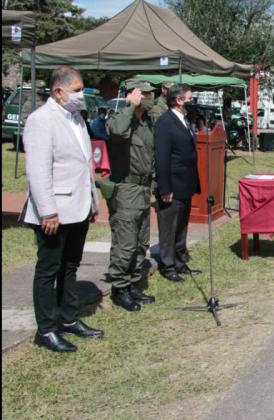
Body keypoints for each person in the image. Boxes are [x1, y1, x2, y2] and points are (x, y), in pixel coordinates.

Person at [21, 66, 103, 353]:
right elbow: (38, 170)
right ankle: (46, 328)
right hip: (54, 211)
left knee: (70, 266)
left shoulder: (76, 118)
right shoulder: (41, 120)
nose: (81, 95)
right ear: (59, 91)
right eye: (77, 89)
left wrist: (91, 201)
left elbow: (85, 165)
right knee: (48, 269)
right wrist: (48, 212)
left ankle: (68, 318)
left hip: (78, 207)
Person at [104, 80, 158, 312]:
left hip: (143, 189)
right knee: (125, 244)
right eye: (145, 93)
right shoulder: (119, 118)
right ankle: (119, 288)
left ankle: (133, 283)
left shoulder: (146, 123)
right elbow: (116, 131)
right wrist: (129, 106)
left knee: (140, 242)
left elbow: (151, 155)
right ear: (133, 94)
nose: (150, 97)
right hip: (125, 190)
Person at [154, 84, 201, 282]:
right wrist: (165, 188)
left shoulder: (183, 120)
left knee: (181, 226)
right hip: (172, 185)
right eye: (190, 98)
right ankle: (168, 265)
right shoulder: (165, 122)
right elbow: (162, 158)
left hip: (185, 184)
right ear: (179, 100)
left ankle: (180, 261)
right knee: (169, 227)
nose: (193, 101)